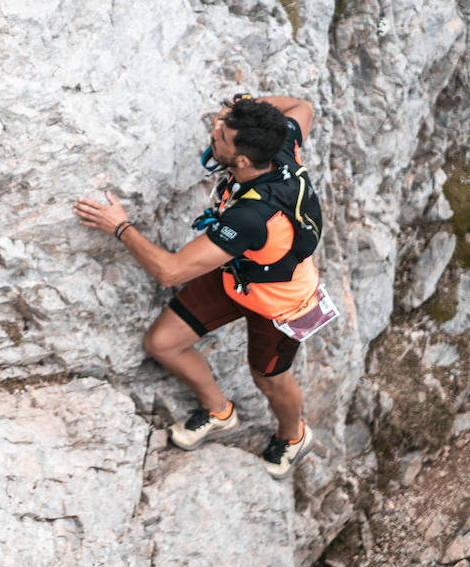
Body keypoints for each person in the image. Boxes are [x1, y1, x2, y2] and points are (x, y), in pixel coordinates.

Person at [73, 94, 330, 479]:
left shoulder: (252, 216)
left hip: (279, 303)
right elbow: (302, 108)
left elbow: (170, 272)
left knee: (269, 379)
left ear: (242, 160)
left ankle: (293, 437)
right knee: (162, 343)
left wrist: (120, 228)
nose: (214, 130)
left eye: (222, 135)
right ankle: (218, 411)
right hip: (238, 275)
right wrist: (245, 108)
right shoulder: (281, 144)